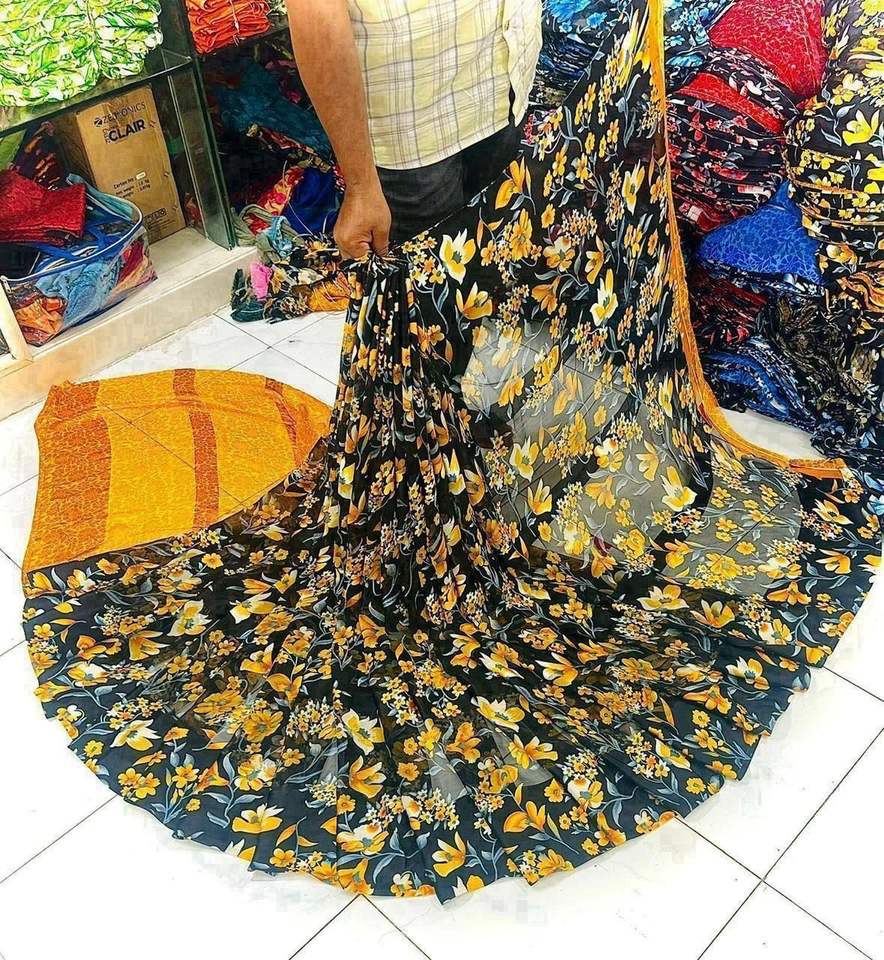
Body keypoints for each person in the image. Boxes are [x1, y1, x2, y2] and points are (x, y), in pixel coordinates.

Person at [287, 0, 543, 258]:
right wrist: (361, 186)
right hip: (412, 128)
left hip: (505, 78)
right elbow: (314, 9)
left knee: (500, 247)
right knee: (431, 270)